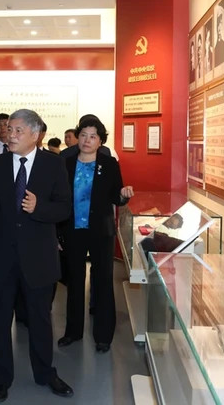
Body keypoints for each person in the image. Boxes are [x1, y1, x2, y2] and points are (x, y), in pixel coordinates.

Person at [0, 109, 73, 402]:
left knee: (40, 320)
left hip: (39, 258)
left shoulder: (54, 165)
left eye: (18, 130)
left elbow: (65, 208)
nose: (10, 135)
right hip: (2, 258)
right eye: (9, 130)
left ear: (36, 134)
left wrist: (39, 207)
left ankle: (46, 373)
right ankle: (0, 379)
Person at [59, 117, 133, 354]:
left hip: (101, 232)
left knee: (102, 282)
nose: (87, 140)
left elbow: (116, 196)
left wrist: (124, 195)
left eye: (92, 136)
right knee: (74, 281)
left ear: (101, 140)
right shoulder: (66, 161)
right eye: (83, 135)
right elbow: (58, 197)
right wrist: (57, 231)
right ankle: (73, 332)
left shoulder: (109, 164)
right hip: (73, 229)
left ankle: (103, 336)